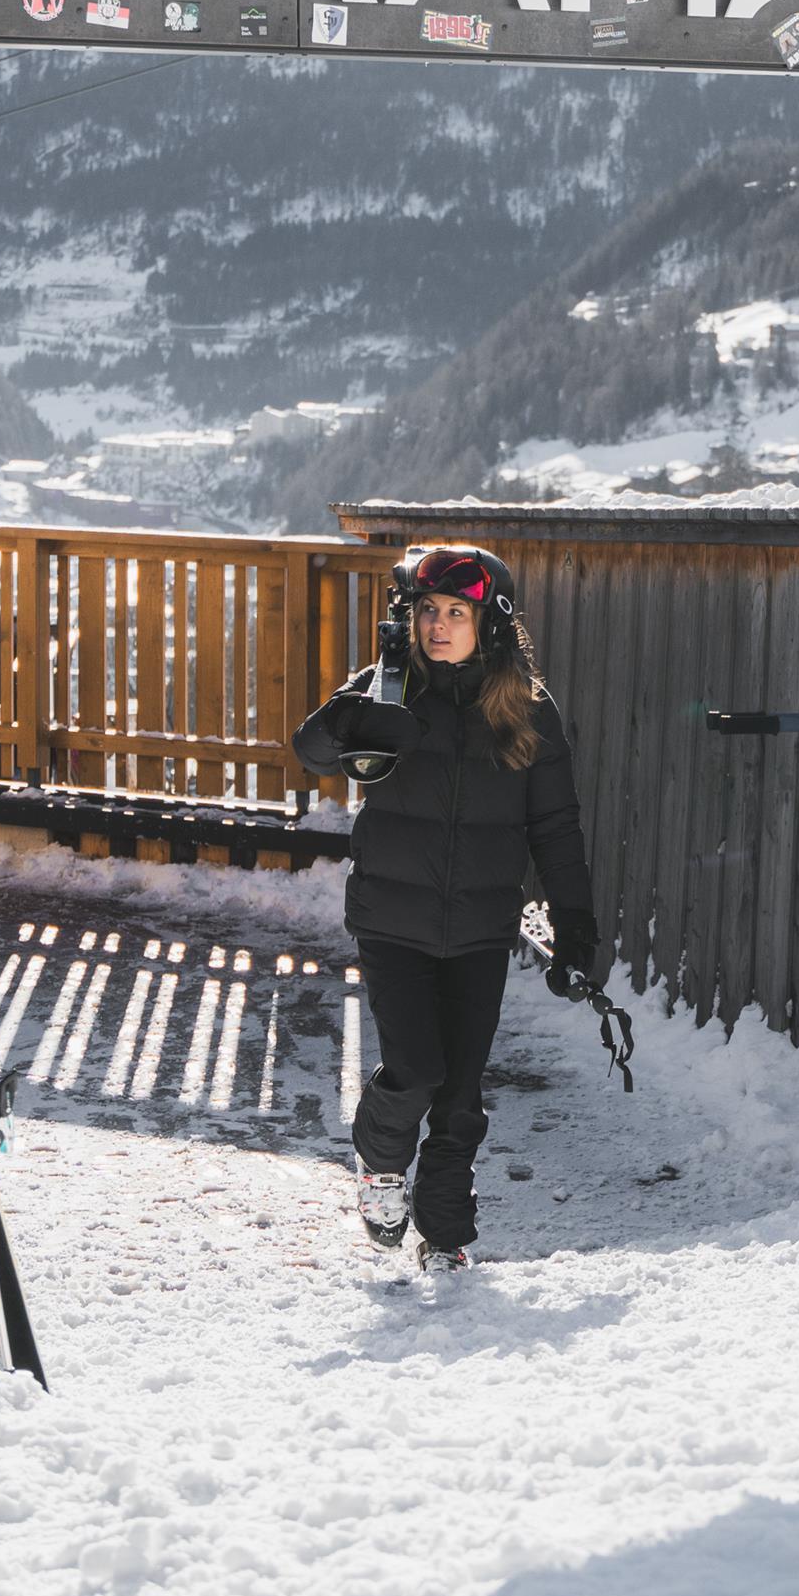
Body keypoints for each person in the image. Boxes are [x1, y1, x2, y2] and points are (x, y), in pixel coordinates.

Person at [290, 543, 600, 1270]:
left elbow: (555, 828)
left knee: (461, 1095)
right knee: (417, 1070)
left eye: (456, 612)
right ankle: (381, 1162)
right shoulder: (391, 689)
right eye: (427, 610)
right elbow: (312, 751)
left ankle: (446, 1232)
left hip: (480, 928)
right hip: (392, 918)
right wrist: (357, 706)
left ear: (489, 622)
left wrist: (576, 930)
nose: (438, 625)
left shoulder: (528, 712)